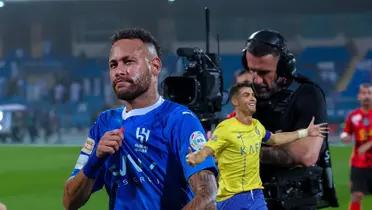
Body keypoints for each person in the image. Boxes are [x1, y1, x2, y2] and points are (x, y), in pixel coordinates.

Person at [63, 28, 218, 210]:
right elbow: (69, 201)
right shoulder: (105, 123)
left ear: (155, 66)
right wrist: (95, 160)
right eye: (113, 65)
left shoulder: (179, 120)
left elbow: (207, 196)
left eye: (128, 62)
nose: (119, 71)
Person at [186, 83, 328, 210]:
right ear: (235, 101)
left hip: (255, 194)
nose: (252, 98)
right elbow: (209, 149)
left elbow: (275, 139)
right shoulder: (225, 128)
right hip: (231, 196)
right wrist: (196, 157)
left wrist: (305, 132)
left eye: (253, 95)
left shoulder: (256, 126)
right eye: (246, 95)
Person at [240, 29, 338, 209]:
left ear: (284, 68)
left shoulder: (308, 94)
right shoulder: (251, 97)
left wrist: (247, 150)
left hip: (295, 203)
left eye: (264, 73)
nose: (257, 80)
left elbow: (306, 155)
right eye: (251, 70)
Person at [340, 83, 372, 210]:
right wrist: (344, 137)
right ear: (359, 96)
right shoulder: (353, 116)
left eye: (369, 93)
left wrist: (369, 144)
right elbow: (346, 133)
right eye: (363, 93)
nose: (366, 96)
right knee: (356, 195)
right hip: (359, 164)